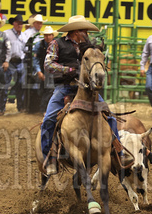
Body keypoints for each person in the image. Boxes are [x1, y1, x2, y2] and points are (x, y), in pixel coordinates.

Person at [39, 15, 129, 174]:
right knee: (48, 120)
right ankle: (50, 157)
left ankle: (119, 152)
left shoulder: (90, 46)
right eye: (83, 30)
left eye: (86, 30)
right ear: (75, 31)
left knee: (110, 117)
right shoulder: (57, 44)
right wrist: (69, 70)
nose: (86, 33)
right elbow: (48, 64)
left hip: (88, 90)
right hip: (65, 88)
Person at [31, 26, 57, 113]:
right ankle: (44, 109)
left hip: (53, 71)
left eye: (49, 35)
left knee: (50, 89)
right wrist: (38, 71)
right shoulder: (39, 45)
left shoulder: (57, 45)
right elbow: (35, 59)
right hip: (43, 70)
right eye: (46, 35)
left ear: (52, 36)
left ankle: (45, 109)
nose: (48, 37)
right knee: (43, 90)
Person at [4, 15, 26, 113]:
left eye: (21, 23)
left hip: (20, 62)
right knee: (5, 84)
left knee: (20, 85)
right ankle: (1, 107)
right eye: (18, 23)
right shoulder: (6, 34)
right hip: (9, 62)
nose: (19, 25)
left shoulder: (24, 35)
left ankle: (20, 107)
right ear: (14, 23)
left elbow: (26, 49)